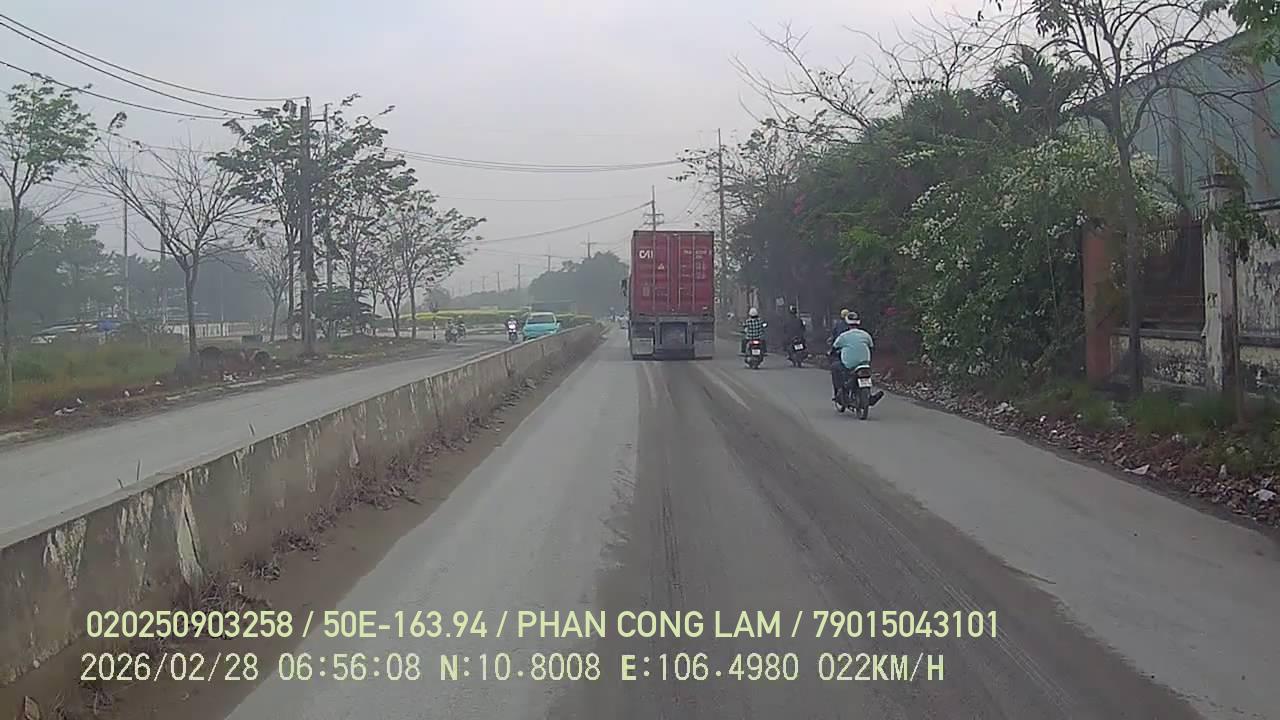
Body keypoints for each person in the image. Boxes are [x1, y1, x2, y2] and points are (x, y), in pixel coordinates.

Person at [831, 312, 884, 406]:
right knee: (866, 377)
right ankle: (868, 396)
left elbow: (835, 346)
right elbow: (871, 346)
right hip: (865, 363)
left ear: (847, 323)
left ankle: (838, 393)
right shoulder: (865, 334)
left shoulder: (844, 336)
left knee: (835, 367)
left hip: (849, 364)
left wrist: (831, 352)